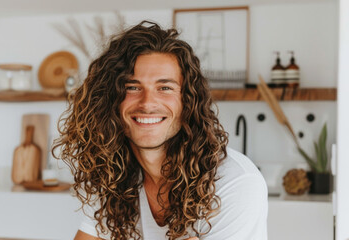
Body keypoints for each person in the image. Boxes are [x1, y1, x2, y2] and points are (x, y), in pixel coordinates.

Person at [53, 21, 268, 240]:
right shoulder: (112, 175)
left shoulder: (235, 182)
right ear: (109, 101)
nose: (147, 103)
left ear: (188, 102)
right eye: (132, 88)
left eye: (165, 88)